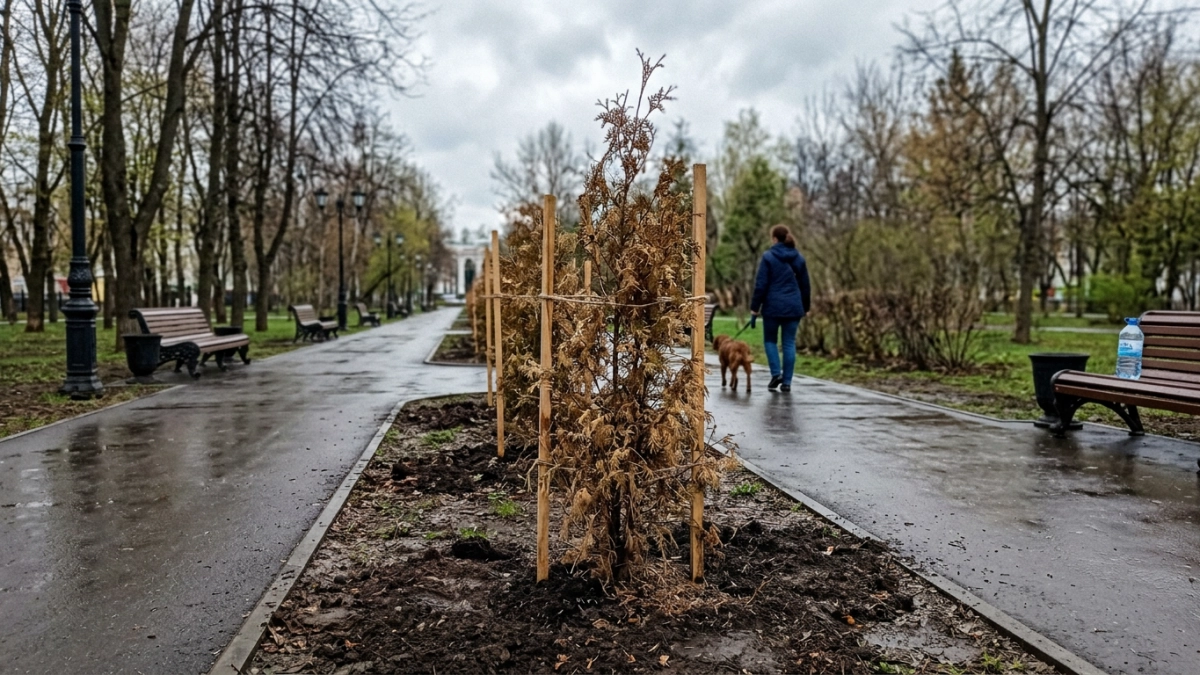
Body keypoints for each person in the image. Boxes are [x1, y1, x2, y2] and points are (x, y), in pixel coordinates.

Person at [750, 225, 811, 392]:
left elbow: (761, 285)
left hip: (772, 306)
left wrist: (755, 308)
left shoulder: (768, 257)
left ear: (774, 239)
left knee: (770, 341)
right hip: (793, 306)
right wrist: (806, 307)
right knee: (789, 343)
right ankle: (787, 382)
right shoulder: (798, 257)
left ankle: (776, 373)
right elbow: (805, 285)